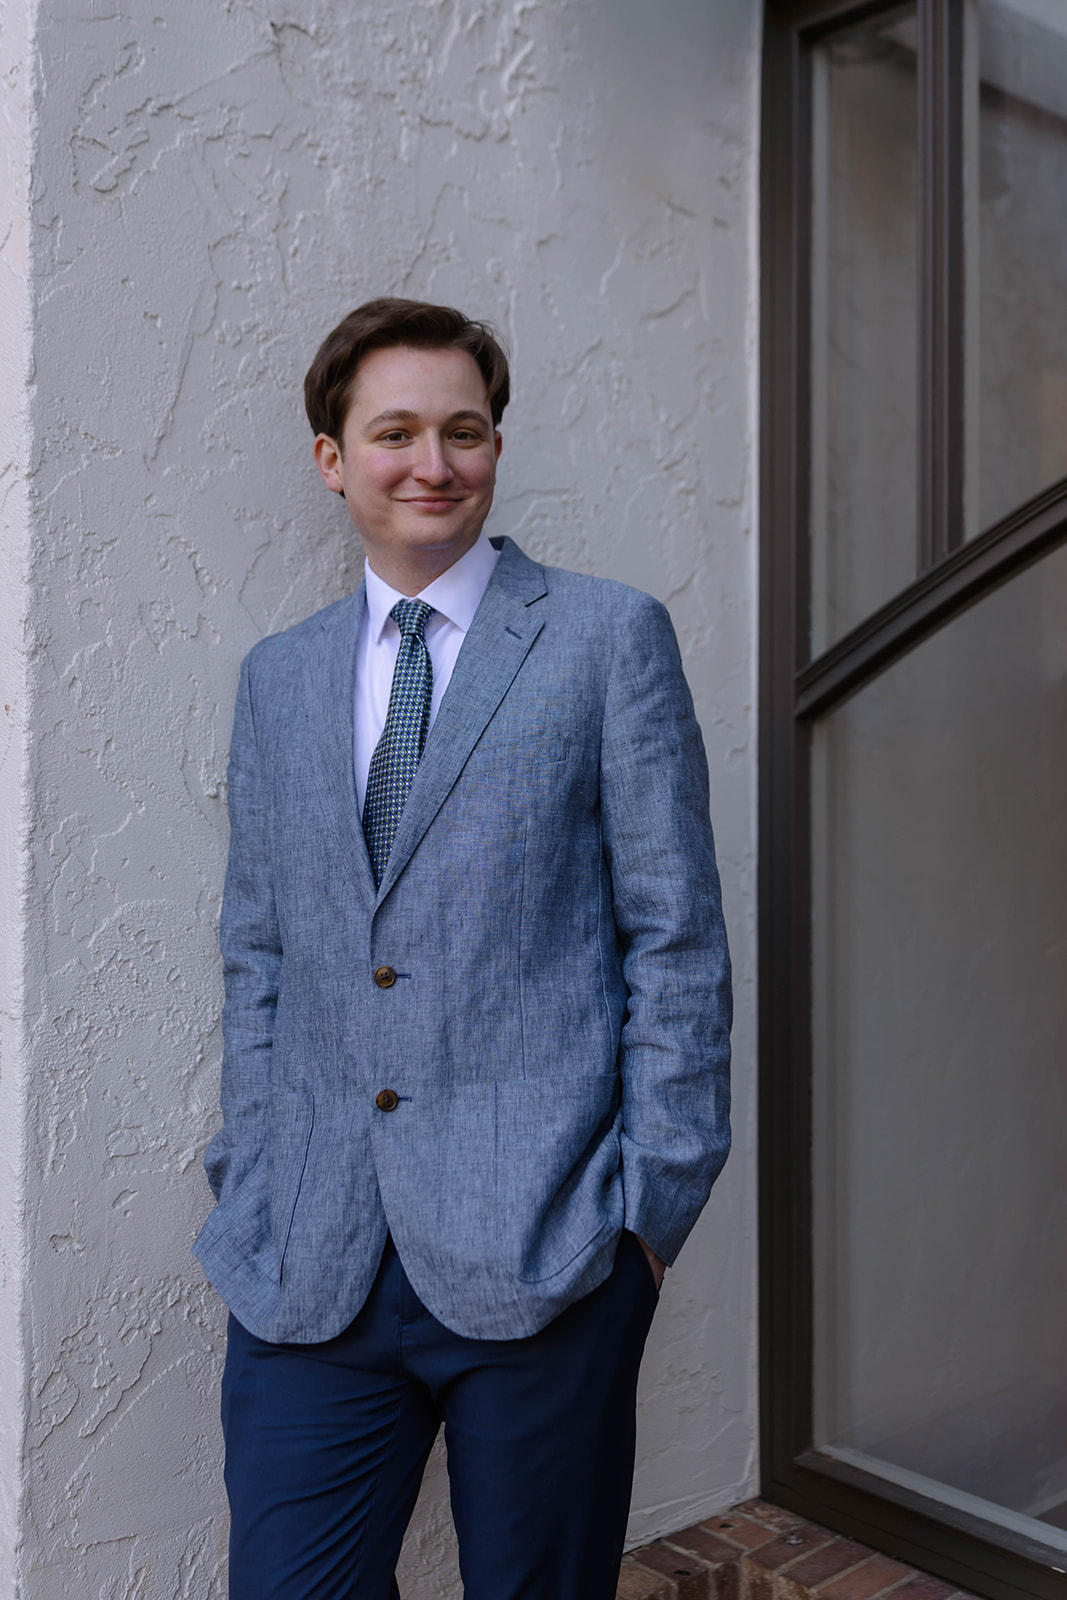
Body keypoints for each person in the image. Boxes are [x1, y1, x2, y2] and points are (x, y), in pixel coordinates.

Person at [193, 297, 732, 1600]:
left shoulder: (607, 638)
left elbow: (676, 936)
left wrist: (646, 1218)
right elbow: (260, 946)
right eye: (394, 433)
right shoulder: (281, 676)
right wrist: (250, 1171)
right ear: (333, 457)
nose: (431, 463)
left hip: (546, 1251)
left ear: (494, 445)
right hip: (311, 1259)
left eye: (464, 431)